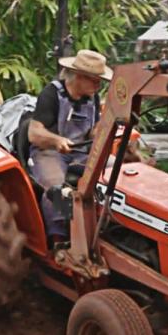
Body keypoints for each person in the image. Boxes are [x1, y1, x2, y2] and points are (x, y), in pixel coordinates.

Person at [27, 49, 112, 243]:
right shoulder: (52, 94)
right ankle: (60, 238)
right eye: (94, 80)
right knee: (55, 186)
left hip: (80, 152)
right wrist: (57, 140)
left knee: (117, 170)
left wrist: (102, 130)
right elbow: (34, 132)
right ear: (79, 77)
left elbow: (91, 133)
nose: (99, 85)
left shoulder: (93, 98)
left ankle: (107, 225)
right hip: (49, 152)